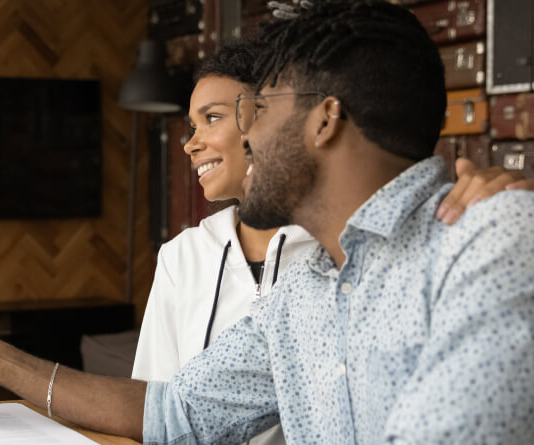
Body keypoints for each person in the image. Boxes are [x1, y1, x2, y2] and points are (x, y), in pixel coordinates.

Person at [0, 1, 534, 442]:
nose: (245, 134)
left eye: (261, 107)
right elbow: (175, 410)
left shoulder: (492, 240)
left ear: (325, 119)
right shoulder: (306, 291)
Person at [133, 38, 532, 445]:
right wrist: (59, 381)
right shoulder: (294, 279)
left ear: (322, 120)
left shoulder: (477, 236)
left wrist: (505, 211)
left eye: (220, 117)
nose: (191, 143)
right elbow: (171, 409)